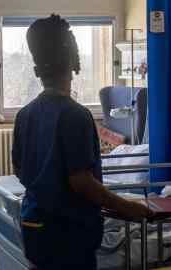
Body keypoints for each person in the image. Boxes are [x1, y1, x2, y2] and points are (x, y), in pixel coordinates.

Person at [12, 15, 153, 270]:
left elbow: (20, 171)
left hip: (32, 224)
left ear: (37, 70)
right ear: (72, 64)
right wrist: (128, 208)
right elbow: (82, 183)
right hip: (67, 235)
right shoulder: (75, 115)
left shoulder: (25, 114)